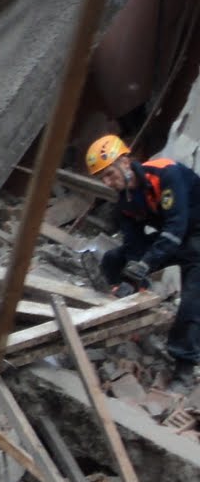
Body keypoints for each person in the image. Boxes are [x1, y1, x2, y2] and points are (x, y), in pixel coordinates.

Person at [85, 134, 200, 386]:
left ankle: (184, 369)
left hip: (193, 235)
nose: (108, 182)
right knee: (114, 260)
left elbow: (175, 227)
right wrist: (132, 278)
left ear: (125, 162)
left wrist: (144, 266)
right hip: (173, 239)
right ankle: (130, 315)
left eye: (110, 174)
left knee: (191, 303)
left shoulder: (165, 174)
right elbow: (133, 245)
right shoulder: (126, 201)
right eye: (102, 178)